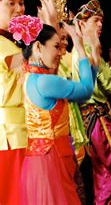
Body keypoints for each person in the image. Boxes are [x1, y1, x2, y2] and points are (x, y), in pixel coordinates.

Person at [8, 15, 97, 204]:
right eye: (56, 47)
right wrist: (79, 46)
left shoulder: (28, 75)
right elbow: (86, 90)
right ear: (38, 47)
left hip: (37, 160)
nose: (61, 53)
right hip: (52, 159)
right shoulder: (45, 81)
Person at [73, 0, 111, 204]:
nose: (100, 25)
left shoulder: (85, 48)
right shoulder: (87, 50)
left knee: (104, 171)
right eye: (95, 21)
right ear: (81, 24)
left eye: (101, 22)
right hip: (96, 115)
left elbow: (107, 80)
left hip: (93, 117)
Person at [0, 0, 26, 205]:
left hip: (24, 131)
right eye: (11, 3)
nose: (19, 9)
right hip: (8, 136)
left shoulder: (13, 42)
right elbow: (15, 63)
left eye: (21, 3)